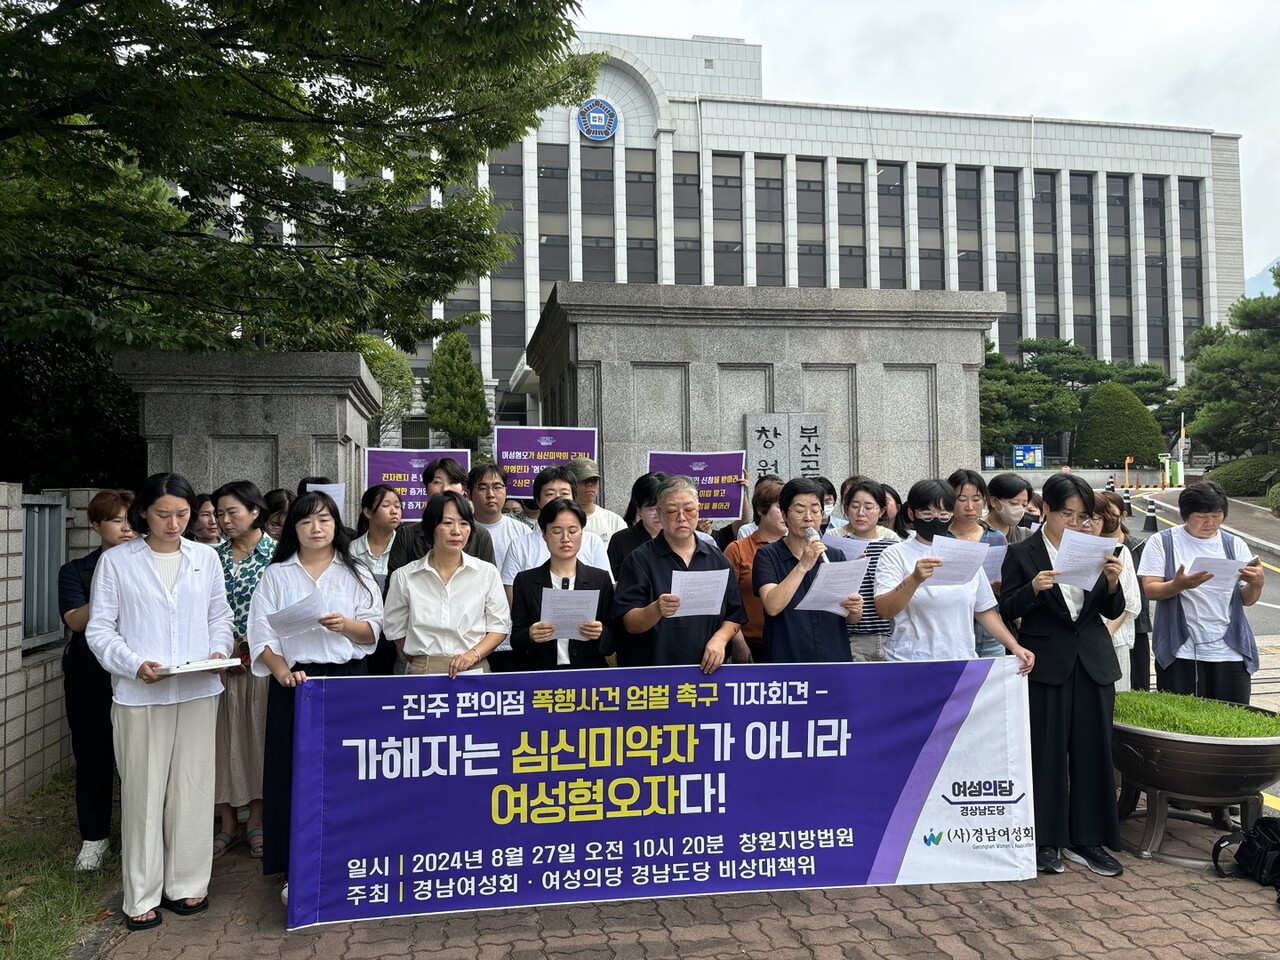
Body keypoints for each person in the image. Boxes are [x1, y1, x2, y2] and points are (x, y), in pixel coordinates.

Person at [86, 472, 234, 930]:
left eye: (183, 515)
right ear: (143, 513)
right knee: (144, 794)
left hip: (196, 689)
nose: (174, 524)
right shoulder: (118, 562)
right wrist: (134, 664)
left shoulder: (205, 558)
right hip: (139, 694)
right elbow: (100, 629)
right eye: (163, 514)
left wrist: (217, 652)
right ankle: (141, 894)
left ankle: (187, 884)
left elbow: (219, 616)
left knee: (192, 789)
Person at [247, 491, 382, 908]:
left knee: (347, 774)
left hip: (346, 684)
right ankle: (296, 869)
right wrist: (282, 670)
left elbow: (374, 632)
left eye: (324, 520)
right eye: (306, 522)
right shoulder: (277, 575)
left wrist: (347, 625)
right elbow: (261, 635)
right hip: (296, 682)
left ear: (336, 525)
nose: (316, 528)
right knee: (294, 775)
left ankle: (349, 862)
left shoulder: (356, 572)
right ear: (294, 529)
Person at [999, 473, 1126, 878]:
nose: (1074, 523)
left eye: (1083, 516)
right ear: (1047, 510)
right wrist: (1033, 589)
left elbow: (1109, 610)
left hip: (1092, 660)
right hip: (1045, 661)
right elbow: (1005, 608)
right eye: (1066, 513)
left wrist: (1111, 581)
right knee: (1047, 751)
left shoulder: (1095, 550)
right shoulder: (1023, 552)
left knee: (1093, 751)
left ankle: (1088, 839)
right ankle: (1046, 838)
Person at [874, 479, 1033, 668]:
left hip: (960, 661)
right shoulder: (895, 554)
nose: (935, 520)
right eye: (927, 514)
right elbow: (884, 609)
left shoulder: (965, 553)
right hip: (909, 660)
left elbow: (985, 609)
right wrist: (914, 580)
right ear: (911, 513)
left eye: (943, 514)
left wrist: (1014, 646)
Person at [57, 488, 135, 871]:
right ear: (95, 525)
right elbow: (74, 620)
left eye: (130, 519)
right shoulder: (76, 571)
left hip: (140, 671)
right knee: (93, 755)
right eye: (117, 520)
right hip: (90, 674)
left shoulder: (149, 563)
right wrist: (109, 581)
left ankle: (141, 833)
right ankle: (94, 837)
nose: (126, 527)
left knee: (138, 756)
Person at [1137, 480, 1264, 705]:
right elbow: (1150, 590)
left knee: (1233, 721)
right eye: (1201, 516)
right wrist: (1178, 585)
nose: (1210, 523)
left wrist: (1257, 584)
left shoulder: (1233, 544)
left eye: (1216, 515)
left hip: (1229, 649)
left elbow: (1247, 599)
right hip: (1180, 649)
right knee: (1181, 722)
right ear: (1185, 514)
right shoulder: (1163, 542)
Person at [614, 475, 749, 672]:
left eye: (689, 509)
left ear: (698, 510)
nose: (681, 517)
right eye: (671, 511)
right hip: (654, 672)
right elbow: (630, 623)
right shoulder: (639, 560)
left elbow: (734, 614)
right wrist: (656, 609)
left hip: (707, 671)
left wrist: (721, 639)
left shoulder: (717, 560)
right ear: (659, 514)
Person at [211, 480, 275, 862]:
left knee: (255, 738)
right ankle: (226, 822)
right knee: (221, 741)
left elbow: (283, 612)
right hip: (217, 665)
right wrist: (222, 650)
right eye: (219, 513)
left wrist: (249, 646)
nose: (223, 520)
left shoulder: (278, 555)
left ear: (254, 511)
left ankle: (256, 821)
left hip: (261, 664)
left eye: (231, 512)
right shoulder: (209, 557)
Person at [383, 491, 510, 676]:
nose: (456, 531)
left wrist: (472, 655)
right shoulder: (404, 576)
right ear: (430, 527)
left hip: (474, 668)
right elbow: (395, 630)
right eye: (447, 523)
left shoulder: (487, 573)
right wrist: (424, 661)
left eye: (464, 523)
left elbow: (499, 627)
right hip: (423, 671)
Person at [752, 478, 863, 663]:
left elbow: (851, 618)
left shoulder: (835, 556)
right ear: (784, 514)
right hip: (787, 658)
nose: (808, 518)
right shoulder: (767, 556)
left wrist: (855, 609)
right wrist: (803, 565)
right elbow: (772, 606)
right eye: (799, 510)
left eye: (815, 510)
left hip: (833, 656)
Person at [510, 499, 613, 670]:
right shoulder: (525, 581)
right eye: (556, 531)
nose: (565, 539)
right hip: (541, 675)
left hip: (587, 674)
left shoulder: (599, 579)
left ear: (582, 533)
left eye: (572, 531)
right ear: (543, 534)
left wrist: (601, 633)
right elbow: (516, 640)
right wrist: (530, 635)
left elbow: (614, 640)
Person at [501, 466, 611, 598]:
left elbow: (605, 589)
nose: (558, 499)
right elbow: (512, 594)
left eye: (564, 493)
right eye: (550, 494)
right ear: (537, 500)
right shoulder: (520, 545)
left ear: (574, 498)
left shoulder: (593, 542)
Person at [828, 478, 900, 662]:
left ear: (881, 510)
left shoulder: (893, 546)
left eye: (868, 507)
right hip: (852, 637)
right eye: (855, 506)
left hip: (891, 636)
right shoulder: (835, 545)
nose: (861, 513)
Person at [386, 457, 495, 575]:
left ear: (463, 490)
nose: (445, 488)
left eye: (452, 482)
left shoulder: (481, 537)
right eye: (437, 482)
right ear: (426, 488)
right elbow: (393, 584)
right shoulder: (407, 536)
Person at [946, 469, 1009, 658]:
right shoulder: (940, 539)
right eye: (962, 499)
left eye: (976, 498)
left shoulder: (997, 538)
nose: (970, 506)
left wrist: (1002, 587)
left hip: (991, 631)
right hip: (953, 630)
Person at [723, 476, 785, 663]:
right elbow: (725, 601)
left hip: (788, 640)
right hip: (750, 641)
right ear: (761, 509)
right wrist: (738, 641)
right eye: (780, 508)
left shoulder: (797, 549)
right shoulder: (738, 549)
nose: (787, 514)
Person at [1091, 492, 1143, 693]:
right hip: (1075, 644)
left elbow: (1129, 602)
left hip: (1114, 640)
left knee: (1117, 704)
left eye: (1096, 518)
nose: (1088, 524)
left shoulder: (1120, 551)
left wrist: (1105, 635)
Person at [350, 484, 403, 675]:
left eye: (397, 505)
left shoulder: (406, 548)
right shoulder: (351, 551)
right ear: (368, 512)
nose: (394, 510)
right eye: (387, 505)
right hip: (362, 631)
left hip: (398, 632)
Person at [468, 464, 529, 573]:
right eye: (482, 488)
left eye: (497, 487)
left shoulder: (523, 531)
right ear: (469, 494)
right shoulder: (460, 530)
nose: (491, 494)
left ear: (505, 491)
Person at [568, 457, 628, 545]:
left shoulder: (614, 521)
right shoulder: (558, 521)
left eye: (594, 480)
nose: (589, 484)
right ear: (570, 484)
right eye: (583, 480)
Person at [985, 472, 1034, 545]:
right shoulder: (974, 534)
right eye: (1014, 503)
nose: (1020, 509)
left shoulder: (1026, 536)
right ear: (993, 501)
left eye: (1024, 505)